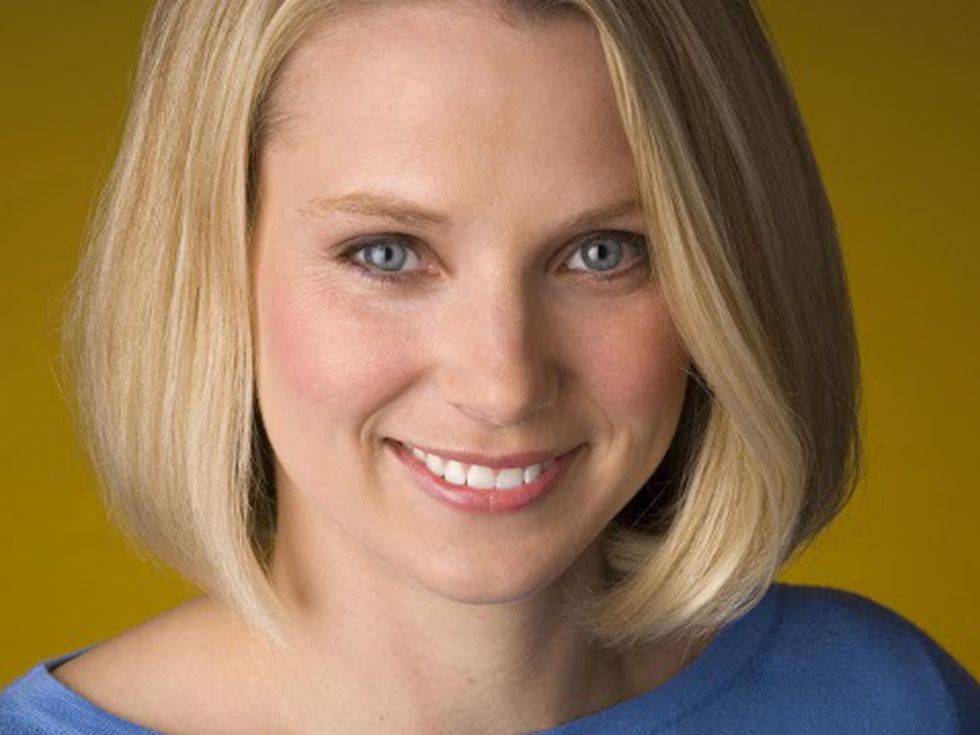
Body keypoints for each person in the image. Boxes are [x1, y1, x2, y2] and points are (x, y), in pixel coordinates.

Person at [1, 0, 977, 732]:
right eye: (387, 252)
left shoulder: (890, 703)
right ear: (211, 266)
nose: (503, 385)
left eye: (602, 253)